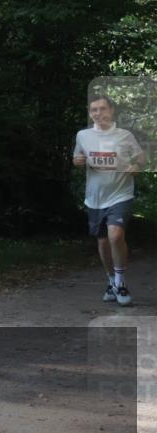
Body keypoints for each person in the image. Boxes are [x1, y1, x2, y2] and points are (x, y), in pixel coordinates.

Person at [72, 94, 146, 306]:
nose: (98, 113)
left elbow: (140, 157)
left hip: (121, 194)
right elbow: (77, 158)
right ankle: (111, 280)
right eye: (93, 110)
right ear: (90, 113)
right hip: (95, 198)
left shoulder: (124, 135)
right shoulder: (83, 135)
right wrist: (78, 161)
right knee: (103, 242)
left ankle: (121, 282)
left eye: (102, 109)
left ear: (111, 111)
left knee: (115, 236)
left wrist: (136, 167)